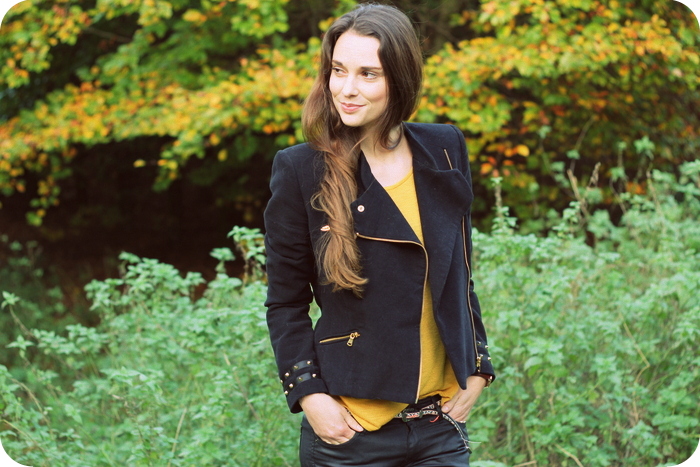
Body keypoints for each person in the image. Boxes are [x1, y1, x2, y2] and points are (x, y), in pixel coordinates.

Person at [263, 4, 495, 466]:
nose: (346, 89)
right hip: (351, 432)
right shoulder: (300, 169)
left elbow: (460, 273)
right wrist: (310, 395)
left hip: (440, 426)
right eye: (338, 70)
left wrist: (478, 368)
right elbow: (285, 302)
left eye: (368, 74)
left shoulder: (445, 147)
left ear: (401, 79)